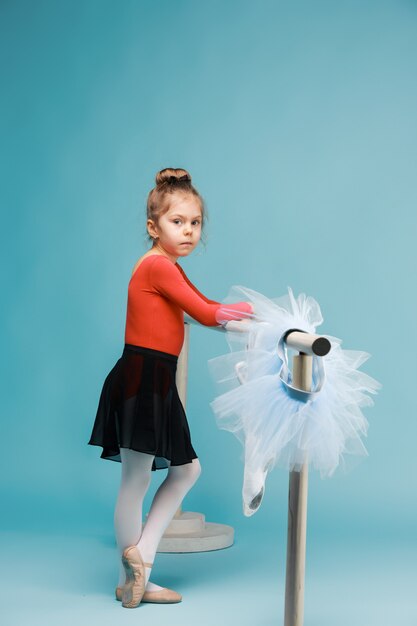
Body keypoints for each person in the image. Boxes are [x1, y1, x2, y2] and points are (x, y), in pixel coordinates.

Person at [87, 167, 253, 609]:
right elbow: (203, 312)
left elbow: (207, 305)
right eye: (177, 222)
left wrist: (246, 313)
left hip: (153, 376)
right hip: (143, 375)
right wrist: (252, 315)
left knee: (177, 471)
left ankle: (137, 566)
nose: (189, 231)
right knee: (140, 477)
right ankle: (136, 567)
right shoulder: (158, 266)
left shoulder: (168, 267)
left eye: (195, 223)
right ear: (153, 227)